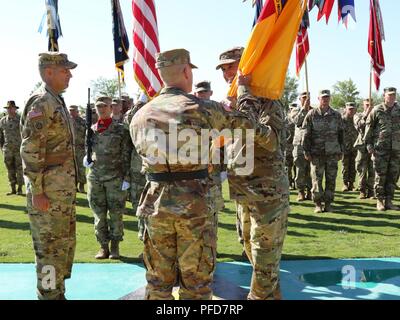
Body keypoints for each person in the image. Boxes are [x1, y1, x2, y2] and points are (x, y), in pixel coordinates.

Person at [130, 48, 258, 300]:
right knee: (196, 285)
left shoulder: (140, 115)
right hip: (194, 204)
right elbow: (248, 124)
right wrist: (244, 91)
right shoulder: (203, 109)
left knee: (157, 283)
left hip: (155, 202)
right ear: (187, 71)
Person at [217, 47, 289, 300]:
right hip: (243, 191)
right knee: (250, 248)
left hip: (267, 192)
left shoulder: (268, 99)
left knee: (264, 253)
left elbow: (270, 141)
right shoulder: (234, 104)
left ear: (246, 66)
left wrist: (246, 95)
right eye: (223, 69)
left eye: (231, 66)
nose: (227, 73)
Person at [20, 52, 77, 300]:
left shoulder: (56, 102)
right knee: (49, 250)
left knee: (62, 247)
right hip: (48, 196)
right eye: (65, 70)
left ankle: (57, 293)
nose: (70, 74)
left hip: (60, 194)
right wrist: (38, 191)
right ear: (49, 72)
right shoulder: (42, 104)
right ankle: (49, 296)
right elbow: (31, 150)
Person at [85, 97, 132, 259]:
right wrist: (87, 158)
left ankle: (115, 247)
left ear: (111, 108)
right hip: (95, 177)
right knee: (99, 214)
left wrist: (127, 177)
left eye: (105, 106)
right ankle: (103, 246)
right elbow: (88, 150)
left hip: (115, 177)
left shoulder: (120, 129)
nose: (102, 109)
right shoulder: (91, 129)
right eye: (99, 106)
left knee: (116, 213)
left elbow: (127, 154)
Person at [302, 89, 344, 213]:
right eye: (323, 97)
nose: (325, 99)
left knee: (331, 180)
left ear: (330, 99)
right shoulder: (312, 114)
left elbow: (341, 134)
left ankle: (328, 204)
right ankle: (318, 204)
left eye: (327, 97)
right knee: (316, 180)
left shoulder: (336, 115)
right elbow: (306, 134)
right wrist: (306, 151)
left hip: (332, 153)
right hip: (316, 154)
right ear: (318, 99)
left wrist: (341, 150)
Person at [194, 80, 225, 240]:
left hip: (214, 168)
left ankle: (213, 243)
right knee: (196, 208)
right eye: (199, 93)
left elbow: (226, 137)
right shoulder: (190, 110)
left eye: (204, 92)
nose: (202, 95)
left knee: (213, 209)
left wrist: (225, 168)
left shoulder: (218, 110)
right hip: (195, 169)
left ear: (211, 93)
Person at [364, 87, 400, 211]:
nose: (391, 97)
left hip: (396, 149)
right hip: (380, 149)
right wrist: (369, 146)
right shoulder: (377, 110)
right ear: (384, 96)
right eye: (389, 95)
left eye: (393, 95)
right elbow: (369, 128)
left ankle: (389, 201)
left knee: (393, 176)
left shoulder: (398, 110)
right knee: (380, 175)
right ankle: (379, 201)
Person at [123, 93, 147, 242]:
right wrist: (140, 103)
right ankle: (145, 244)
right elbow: (128, 121)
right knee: (139, 205)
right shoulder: (136, 115)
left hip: (160, 169)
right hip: (138, 168)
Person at [0, 100, 24, 195]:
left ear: (15, 109)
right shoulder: (2, 121)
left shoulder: (20, 119)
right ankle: (13, 189)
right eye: (8, 108)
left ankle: (20, 189)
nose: (10, 110)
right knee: (10, 169)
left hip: (19, 149)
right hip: (7, 150)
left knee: (20, 169)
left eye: (11, 108)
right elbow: (1, 136)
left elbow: (25, 133)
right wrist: (2, 147)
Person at [291, 92, 312, 201]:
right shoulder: (295, 111)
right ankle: (300, 191)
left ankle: (310, 191)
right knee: (300, 170)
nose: (306, 99)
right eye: (304, 98)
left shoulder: (314, 111)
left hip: (312, 145)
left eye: (308, 98)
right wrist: (304, 108)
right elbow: (296, 121)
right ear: (300, 99)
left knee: (311, 171)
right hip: (299, 145)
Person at [354, 98, 375, 199]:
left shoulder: (376, 115)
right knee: (361, 169)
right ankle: (362, 190)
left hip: (373, 146)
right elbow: (359, 126)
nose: (368, 106)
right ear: (363, 105)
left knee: (372, 169)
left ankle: (371, 190)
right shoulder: (358, 115)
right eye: (366, 105)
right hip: (362, 146)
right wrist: (366, 114)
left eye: (370, 105)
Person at [68, 105, 86, 193]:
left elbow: (86, 134)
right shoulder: (67, 121)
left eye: (73, 111)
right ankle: (73, 185)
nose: (71, 112)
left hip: (80, 148)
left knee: (81, 168)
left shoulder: (82, 122)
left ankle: (81, 185)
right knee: (72, 168)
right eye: (70, 111)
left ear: (77, 111)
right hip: (70, 148)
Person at [341, 102, 358, 192]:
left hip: (355, 146)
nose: (351, 111)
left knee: (353, 166)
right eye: (349, 109)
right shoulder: (342, 120)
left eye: (353, 109)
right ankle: (344, 184)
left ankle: (351, 183)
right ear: (346, 109)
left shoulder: (357, 119)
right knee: (345, 166)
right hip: (345, 146)